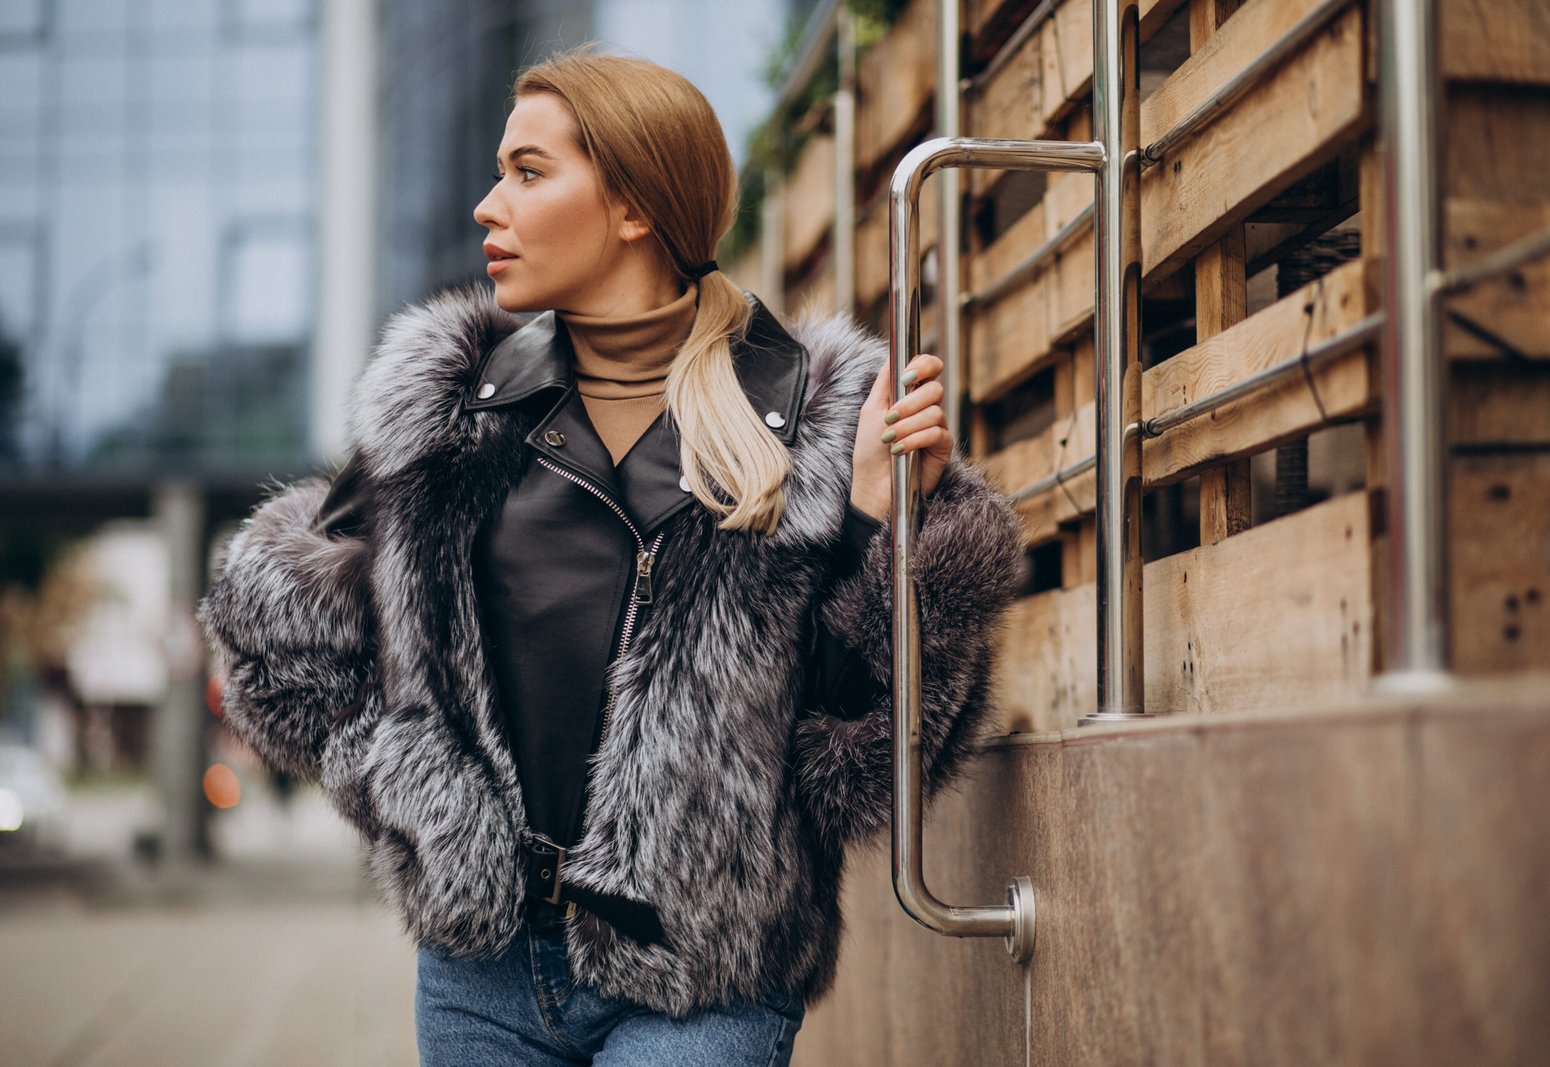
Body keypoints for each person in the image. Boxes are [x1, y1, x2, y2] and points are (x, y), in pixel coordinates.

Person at [197, 51, 1022, 1066]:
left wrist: (875, 527)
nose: (487, 205)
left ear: (632, 204)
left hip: (702, 974)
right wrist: (416, 784)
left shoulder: (815, 416)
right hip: (482, 972)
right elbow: (276, 646)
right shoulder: (447, 410)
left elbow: (866, 768)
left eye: (529, 171)